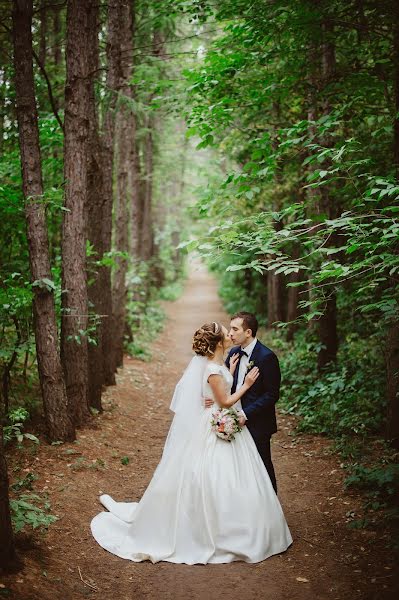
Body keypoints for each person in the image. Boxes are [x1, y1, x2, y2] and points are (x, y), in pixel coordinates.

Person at [90, 322, 292, 565]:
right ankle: (217, 530)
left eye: (233, 330)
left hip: (221, 417)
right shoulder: (212, 368)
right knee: (215, 474)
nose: (230, 335)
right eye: (226, 333)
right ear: (218, 343)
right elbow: (225, 401)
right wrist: (246, 385)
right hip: (218, 421)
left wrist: (226, 372)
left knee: (236, 475)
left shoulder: (221, 364)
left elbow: (214, 389)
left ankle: (245, 523)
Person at [222, 312, 281, 494]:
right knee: (236, 467)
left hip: (256, 423)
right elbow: (225, 383)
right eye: (230, 328)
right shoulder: (233, 353)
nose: (230, 333)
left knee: (261, 465)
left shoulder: (267, 357)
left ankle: (271, 507)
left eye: (235, 329)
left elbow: (272, 394)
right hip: (231, 419)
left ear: (248, 332)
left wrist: (246, 414)